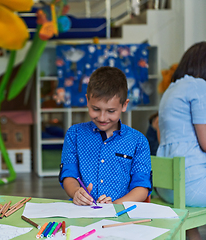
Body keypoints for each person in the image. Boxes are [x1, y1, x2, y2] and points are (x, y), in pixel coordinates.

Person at [59, 66, 152, 206]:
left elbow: (142, 187)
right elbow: (68, 175)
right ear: (87, 101)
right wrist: (76, 192)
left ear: (124, 105)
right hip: (82, 212)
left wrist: (115, 205)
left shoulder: (138, 141)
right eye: (96, 109)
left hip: (120, 215)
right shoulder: (75, 134)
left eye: (111, 111)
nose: (102, 117)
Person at [157, 41, 206, 240]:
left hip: (168, 188)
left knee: (190, 226)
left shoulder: (170, 90)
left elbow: (162, 137)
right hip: (192, 187)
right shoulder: (199, 86)